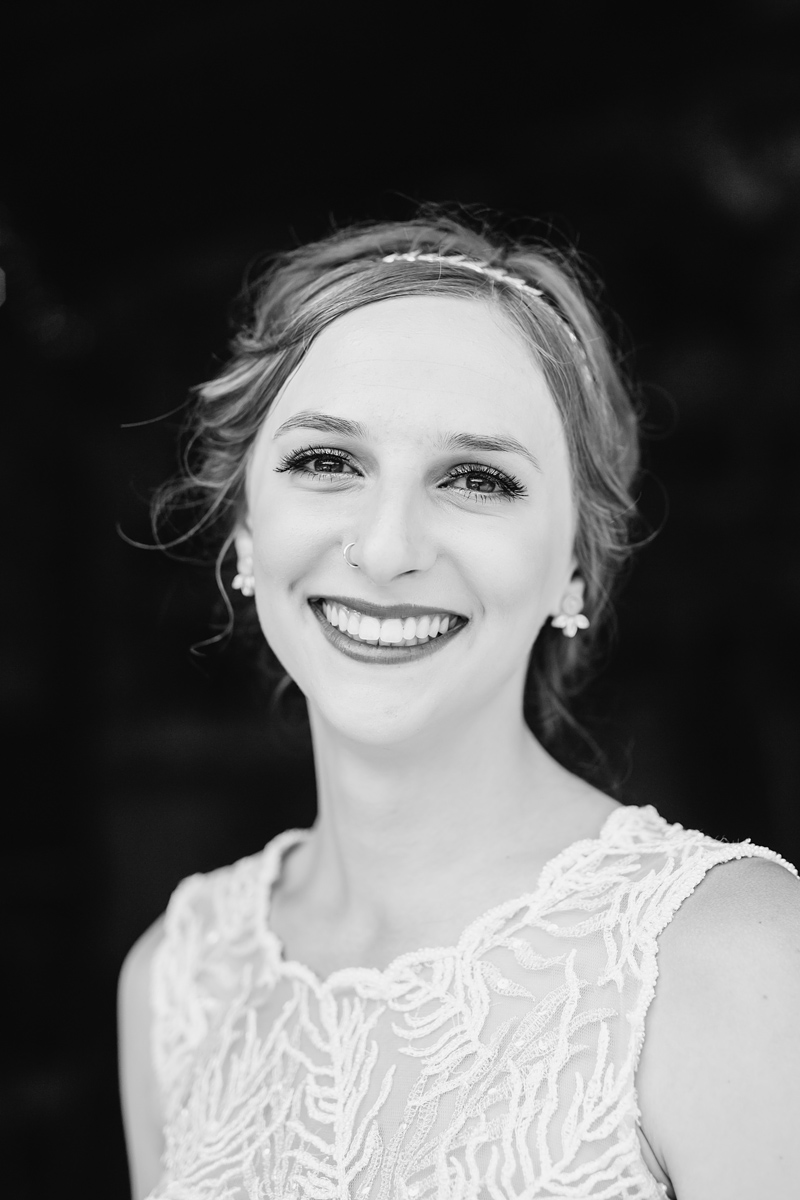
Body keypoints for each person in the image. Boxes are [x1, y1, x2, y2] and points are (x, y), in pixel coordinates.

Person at [118, 210, 800, 1200]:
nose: (387, 548)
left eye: (476, 478)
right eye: (326, 461)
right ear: (244, 528)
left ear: (575, 563)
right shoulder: (175, 981)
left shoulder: (734, 960)